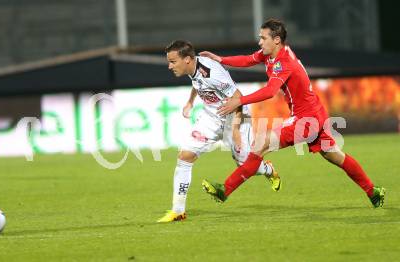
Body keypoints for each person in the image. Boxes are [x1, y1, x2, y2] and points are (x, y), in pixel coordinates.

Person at [199, 19, 385, 208]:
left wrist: (239, 100)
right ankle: (373, 191)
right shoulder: (271, 54)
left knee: (261, 143)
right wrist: (221, 60)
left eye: (263, 38)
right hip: (315, 112)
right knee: (334, 155)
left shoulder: (283, 62)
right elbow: (248, 59)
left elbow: (270, 91)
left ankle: (225, 190)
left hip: (307, 118)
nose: (259, 42)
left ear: (276, 40)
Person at [157, 40, 281, 223]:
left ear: (188, 60)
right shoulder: (193, 67)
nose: (169, 66)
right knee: (185, 156)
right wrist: (190, 102)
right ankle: (178, 211)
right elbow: (197, 83)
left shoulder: (212, 73)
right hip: (211, 118)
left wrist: (236, 131)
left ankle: (267, 169)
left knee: (244, 164)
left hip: (235, 116)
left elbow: (238, 97)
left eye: (173, 61)